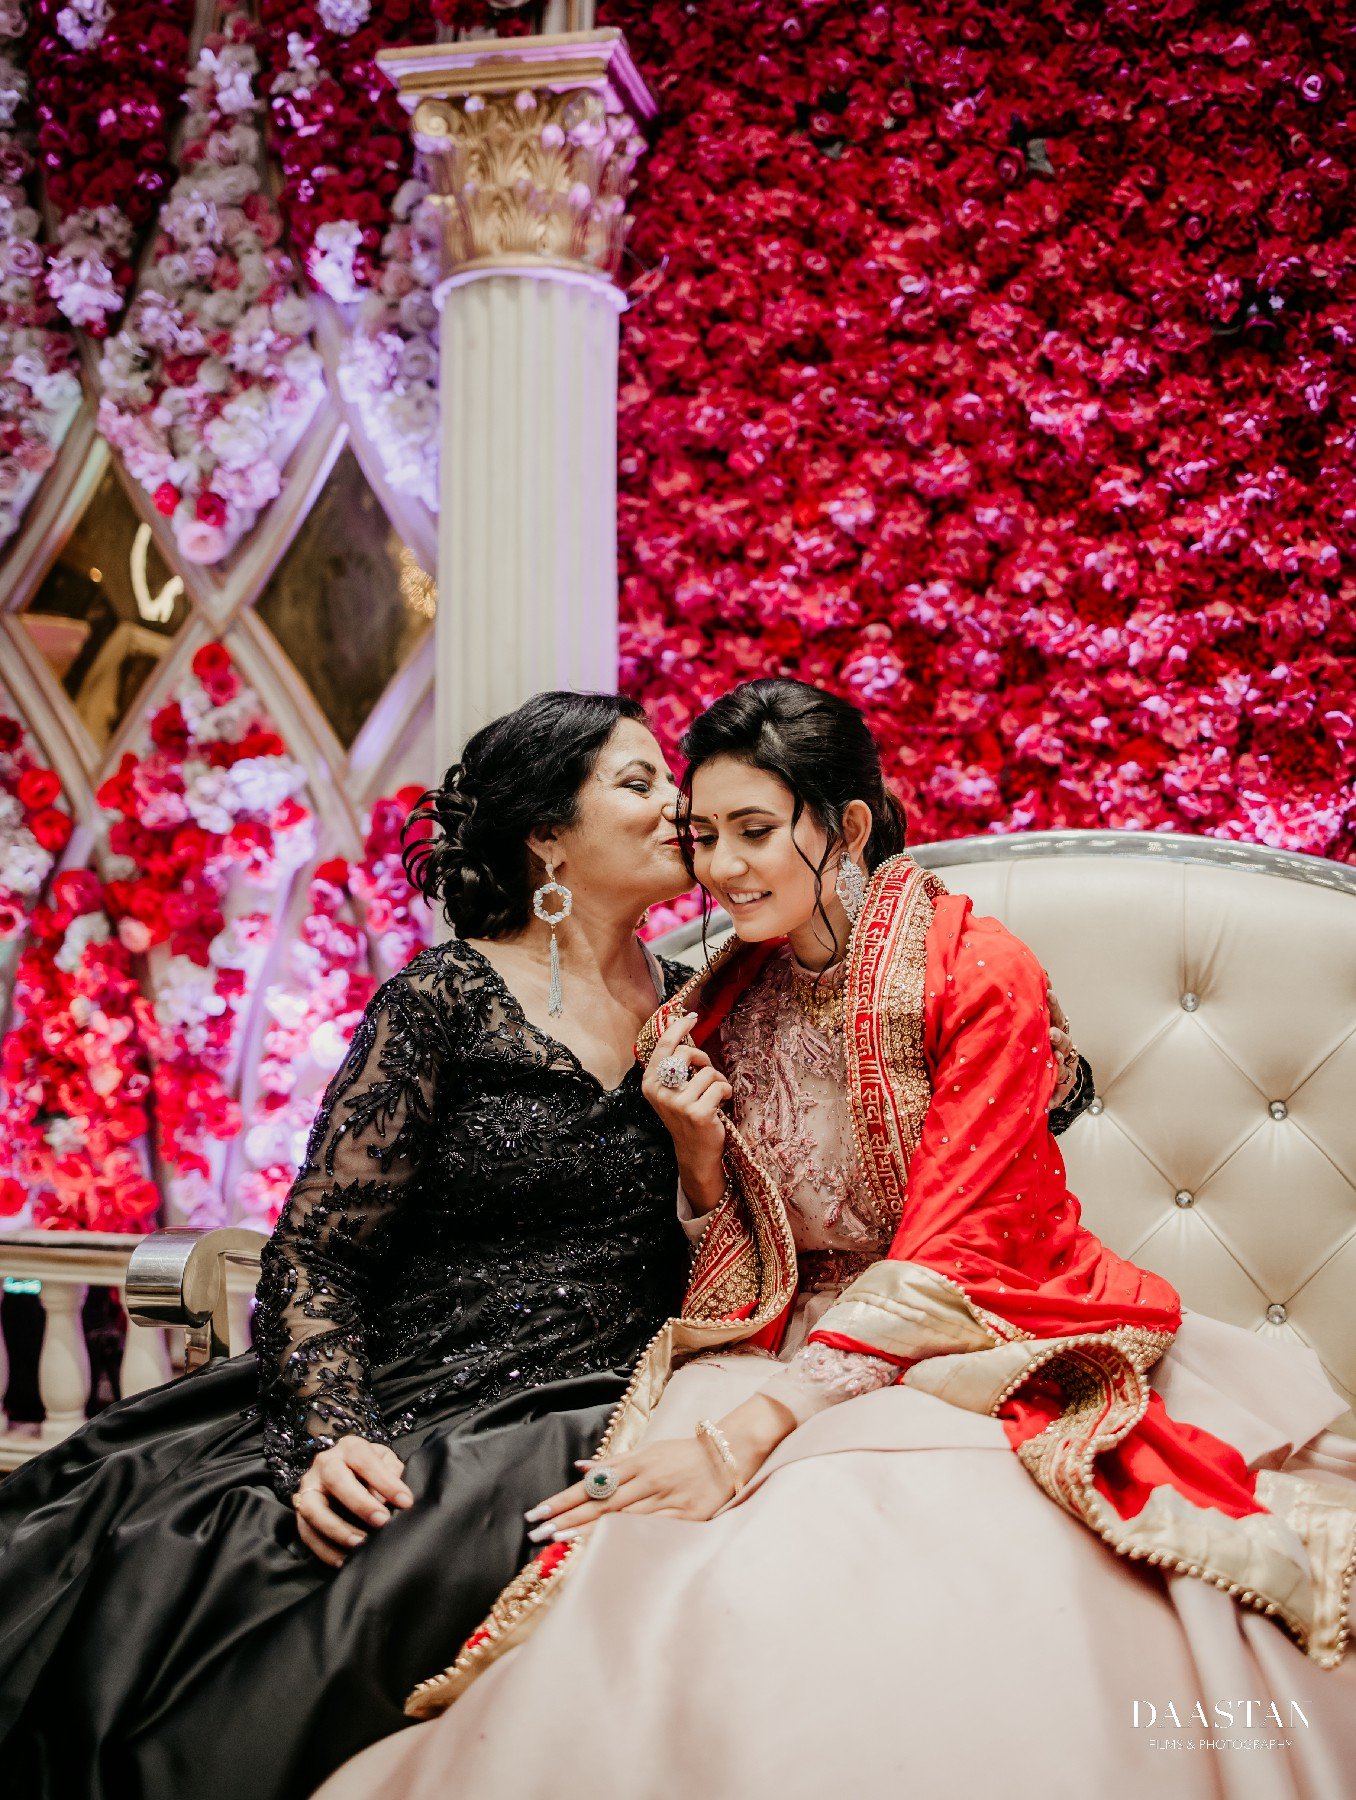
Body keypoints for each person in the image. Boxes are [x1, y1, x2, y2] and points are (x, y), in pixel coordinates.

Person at [314, 679, 1356, 1800]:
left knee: (922, 1572)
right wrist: (697, 1153)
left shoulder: (976, 971)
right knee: (671, 1597)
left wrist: (743, 1439)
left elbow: (956, 1240)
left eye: (756, 833)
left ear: (844, 827)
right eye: (703, 835)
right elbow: (735, 1251)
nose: (720, 870)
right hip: (778, 1332)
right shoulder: (715, 1001)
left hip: (982, 1325)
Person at [0, 693, 699, 1800]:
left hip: (621, 1386)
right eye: (641, 781)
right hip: (412, 1382)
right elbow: (317, 1253)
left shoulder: (710, 1006)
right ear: (547, 834)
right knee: (250, 1577)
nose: (680, 805)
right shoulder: (443, 999)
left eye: (673, 781)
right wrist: (331, 1433)